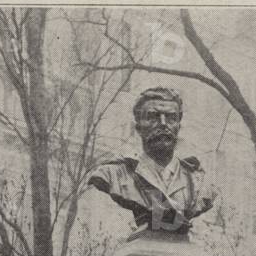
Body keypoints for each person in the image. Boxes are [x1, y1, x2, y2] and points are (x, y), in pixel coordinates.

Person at [88, 86, 215, 232]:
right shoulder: (114, 174)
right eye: (153, 117)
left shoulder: (198, 183)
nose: (163, 123)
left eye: (171, 118)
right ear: (138, 127)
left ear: (178, 126)